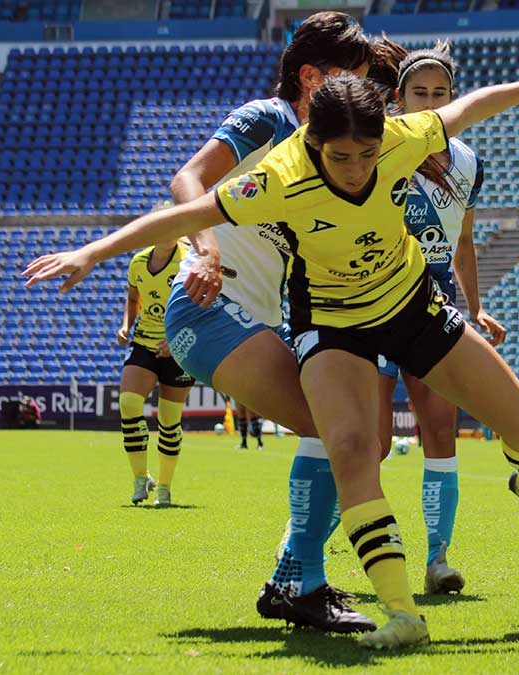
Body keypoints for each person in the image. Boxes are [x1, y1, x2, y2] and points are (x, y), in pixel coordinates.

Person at [25, 58, 519, 648]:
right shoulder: (279, 176)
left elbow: (472, 105)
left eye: (367, 155)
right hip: (332, 327)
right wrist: (92, 253)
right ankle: (403, 615)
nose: (357, 170)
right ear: (314, 144)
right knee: (353, 447)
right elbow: (185, 211)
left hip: (413, 307)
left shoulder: (404, 136)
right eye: (341, 157)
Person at [157, 12, 376, 633]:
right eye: (346, 79)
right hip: (207, 308)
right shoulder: (269, 119)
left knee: (366, 441)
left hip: (254, 319)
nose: (357, 95)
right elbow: (188, 179)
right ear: (310, 76)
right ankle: (298, 580)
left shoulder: (323, 151)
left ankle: (295, 577)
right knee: (343, 435)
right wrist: (203, 247)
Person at [371, 41, 506, 596]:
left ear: (454, 99)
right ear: (397, 99)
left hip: (435, 301)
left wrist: (476, 306)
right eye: (418, 93)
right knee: (369, 442)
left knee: (440, 432)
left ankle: (438, 559)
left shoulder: (469, 162)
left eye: (440, 94)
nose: (430, 102)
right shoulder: (377, 147)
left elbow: (466, 240)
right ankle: (322, 551)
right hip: (372, 300)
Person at [116, 225, 195, 506]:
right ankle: (141, 478)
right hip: (144, 341)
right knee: (128, 403)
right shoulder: (138, 261)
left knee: (169, 421)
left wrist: (177, 339)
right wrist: (126, 325)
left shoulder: (189, 261)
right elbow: (133, 297)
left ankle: (164, 486)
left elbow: (204, 305)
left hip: (179, 348)